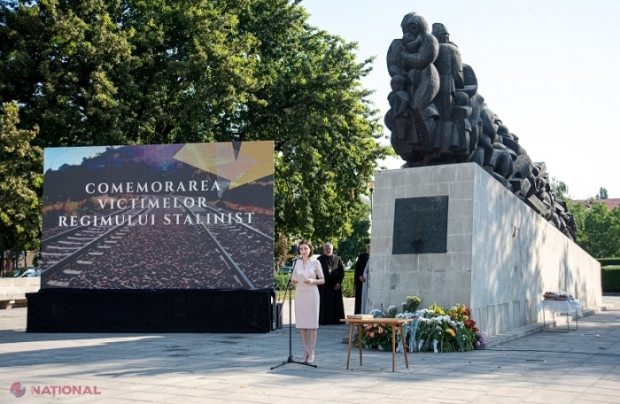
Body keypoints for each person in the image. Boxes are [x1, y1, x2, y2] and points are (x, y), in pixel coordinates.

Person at [290, 239, 324, 363]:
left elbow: (322, 280)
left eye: (305, 248)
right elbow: (293, 278)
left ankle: (312, 351)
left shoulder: (315, 263)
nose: (303, 251)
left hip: (312, 294)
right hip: (300, 293)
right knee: (302, 324)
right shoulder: (296, 263)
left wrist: (312, 281)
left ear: (310, 249)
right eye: (301, 249)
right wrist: (293, 281)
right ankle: (305, 351)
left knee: (312, 325)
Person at [317, 243, 345, 325]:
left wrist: (339, 282)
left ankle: (336, 320)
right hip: (323, 286)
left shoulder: (337, 259)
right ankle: (324, 321)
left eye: (329, 249)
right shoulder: (319, 259)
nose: (328, 250)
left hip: (335, 285)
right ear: (324, 249)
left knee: (335, 304)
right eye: (326, 249)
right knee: (324, 303)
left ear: (332, 249)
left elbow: (342, 272)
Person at [354, 246, 370, 314]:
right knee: (360, 300)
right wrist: (360, 276)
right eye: (369, 248)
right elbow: (357, 268)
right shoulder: (362, 256)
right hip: (362, 281)